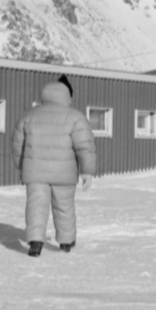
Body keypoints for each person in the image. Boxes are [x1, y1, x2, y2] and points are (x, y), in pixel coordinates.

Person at [11, 74, 97, 257]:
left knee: (36, 205)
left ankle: (35, 240)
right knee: (64, 206)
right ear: (68, 96)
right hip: (64, 173)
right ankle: (66, 242)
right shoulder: (75, 117)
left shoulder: (29, 115)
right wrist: (87, 171)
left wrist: (19, 167)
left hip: (35, 172)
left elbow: (18, 144)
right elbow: (85, 146)